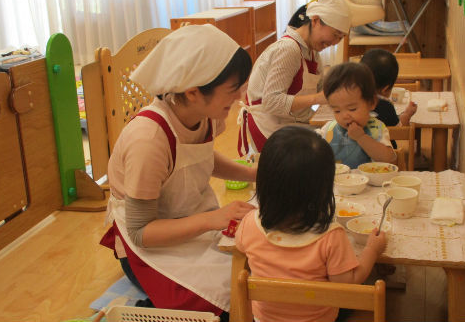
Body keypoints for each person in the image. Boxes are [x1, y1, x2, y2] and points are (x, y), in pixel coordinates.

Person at [99, 24, 257, 318]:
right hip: (150, 247)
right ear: (194, 92)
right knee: (227, 305)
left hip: (190, 222)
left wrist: (253, 173)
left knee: (254, 275)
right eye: (232, 90)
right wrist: (214, 218)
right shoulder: (149, 139)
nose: (238, 98)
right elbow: (140, 232)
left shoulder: (205, 115)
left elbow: (202, 157)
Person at [235, 126, 387, 322]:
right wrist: (372, 250)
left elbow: (240, 246)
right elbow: (348, 282)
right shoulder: (331, 237)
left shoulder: (250, 223)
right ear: (322, 191)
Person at [238, 0, 365, 157]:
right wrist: (317, 98)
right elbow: (271, 102)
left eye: (340, 38)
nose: (334, 42)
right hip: (270, 127)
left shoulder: (313, 53)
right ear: (316, 20)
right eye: (335, 35)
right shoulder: (288, 49)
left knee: (343, 138)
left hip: (293, 122)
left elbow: (324, 92)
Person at [321, 62, 397, 169]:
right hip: (338, 183)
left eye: (352, 109)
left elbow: (388, 159)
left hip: (369, 182)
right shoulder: (328, 130)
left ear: (371, 103)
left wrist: (361, 137)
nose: (344, 116)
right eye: (337, 111)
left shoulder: (376, 128)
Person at [360, 48, 417, 131]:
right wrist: (407, 114)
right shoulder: (386, 106)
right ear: (385, 89)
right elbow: (398, 129)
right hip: (382, 143)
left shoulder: (350, 98)